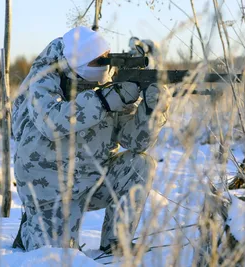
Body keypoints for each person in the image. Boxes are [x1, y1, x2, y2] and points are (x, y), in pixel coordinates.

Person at [11, 26, 169, 254]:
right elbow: (51, 122)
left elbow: (135, 142)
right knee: (57, 256)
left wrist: (152, 110)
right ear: (78, 62)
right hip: (50, 189)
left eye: (107, 58)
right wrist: (107, 100)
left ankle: (116, 242)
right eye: (99, 61)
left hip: (92, 179)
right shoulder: (42, 80)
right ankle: (30, 228)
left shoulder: (109, 82)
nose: (105, 64)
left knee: (141, 163)